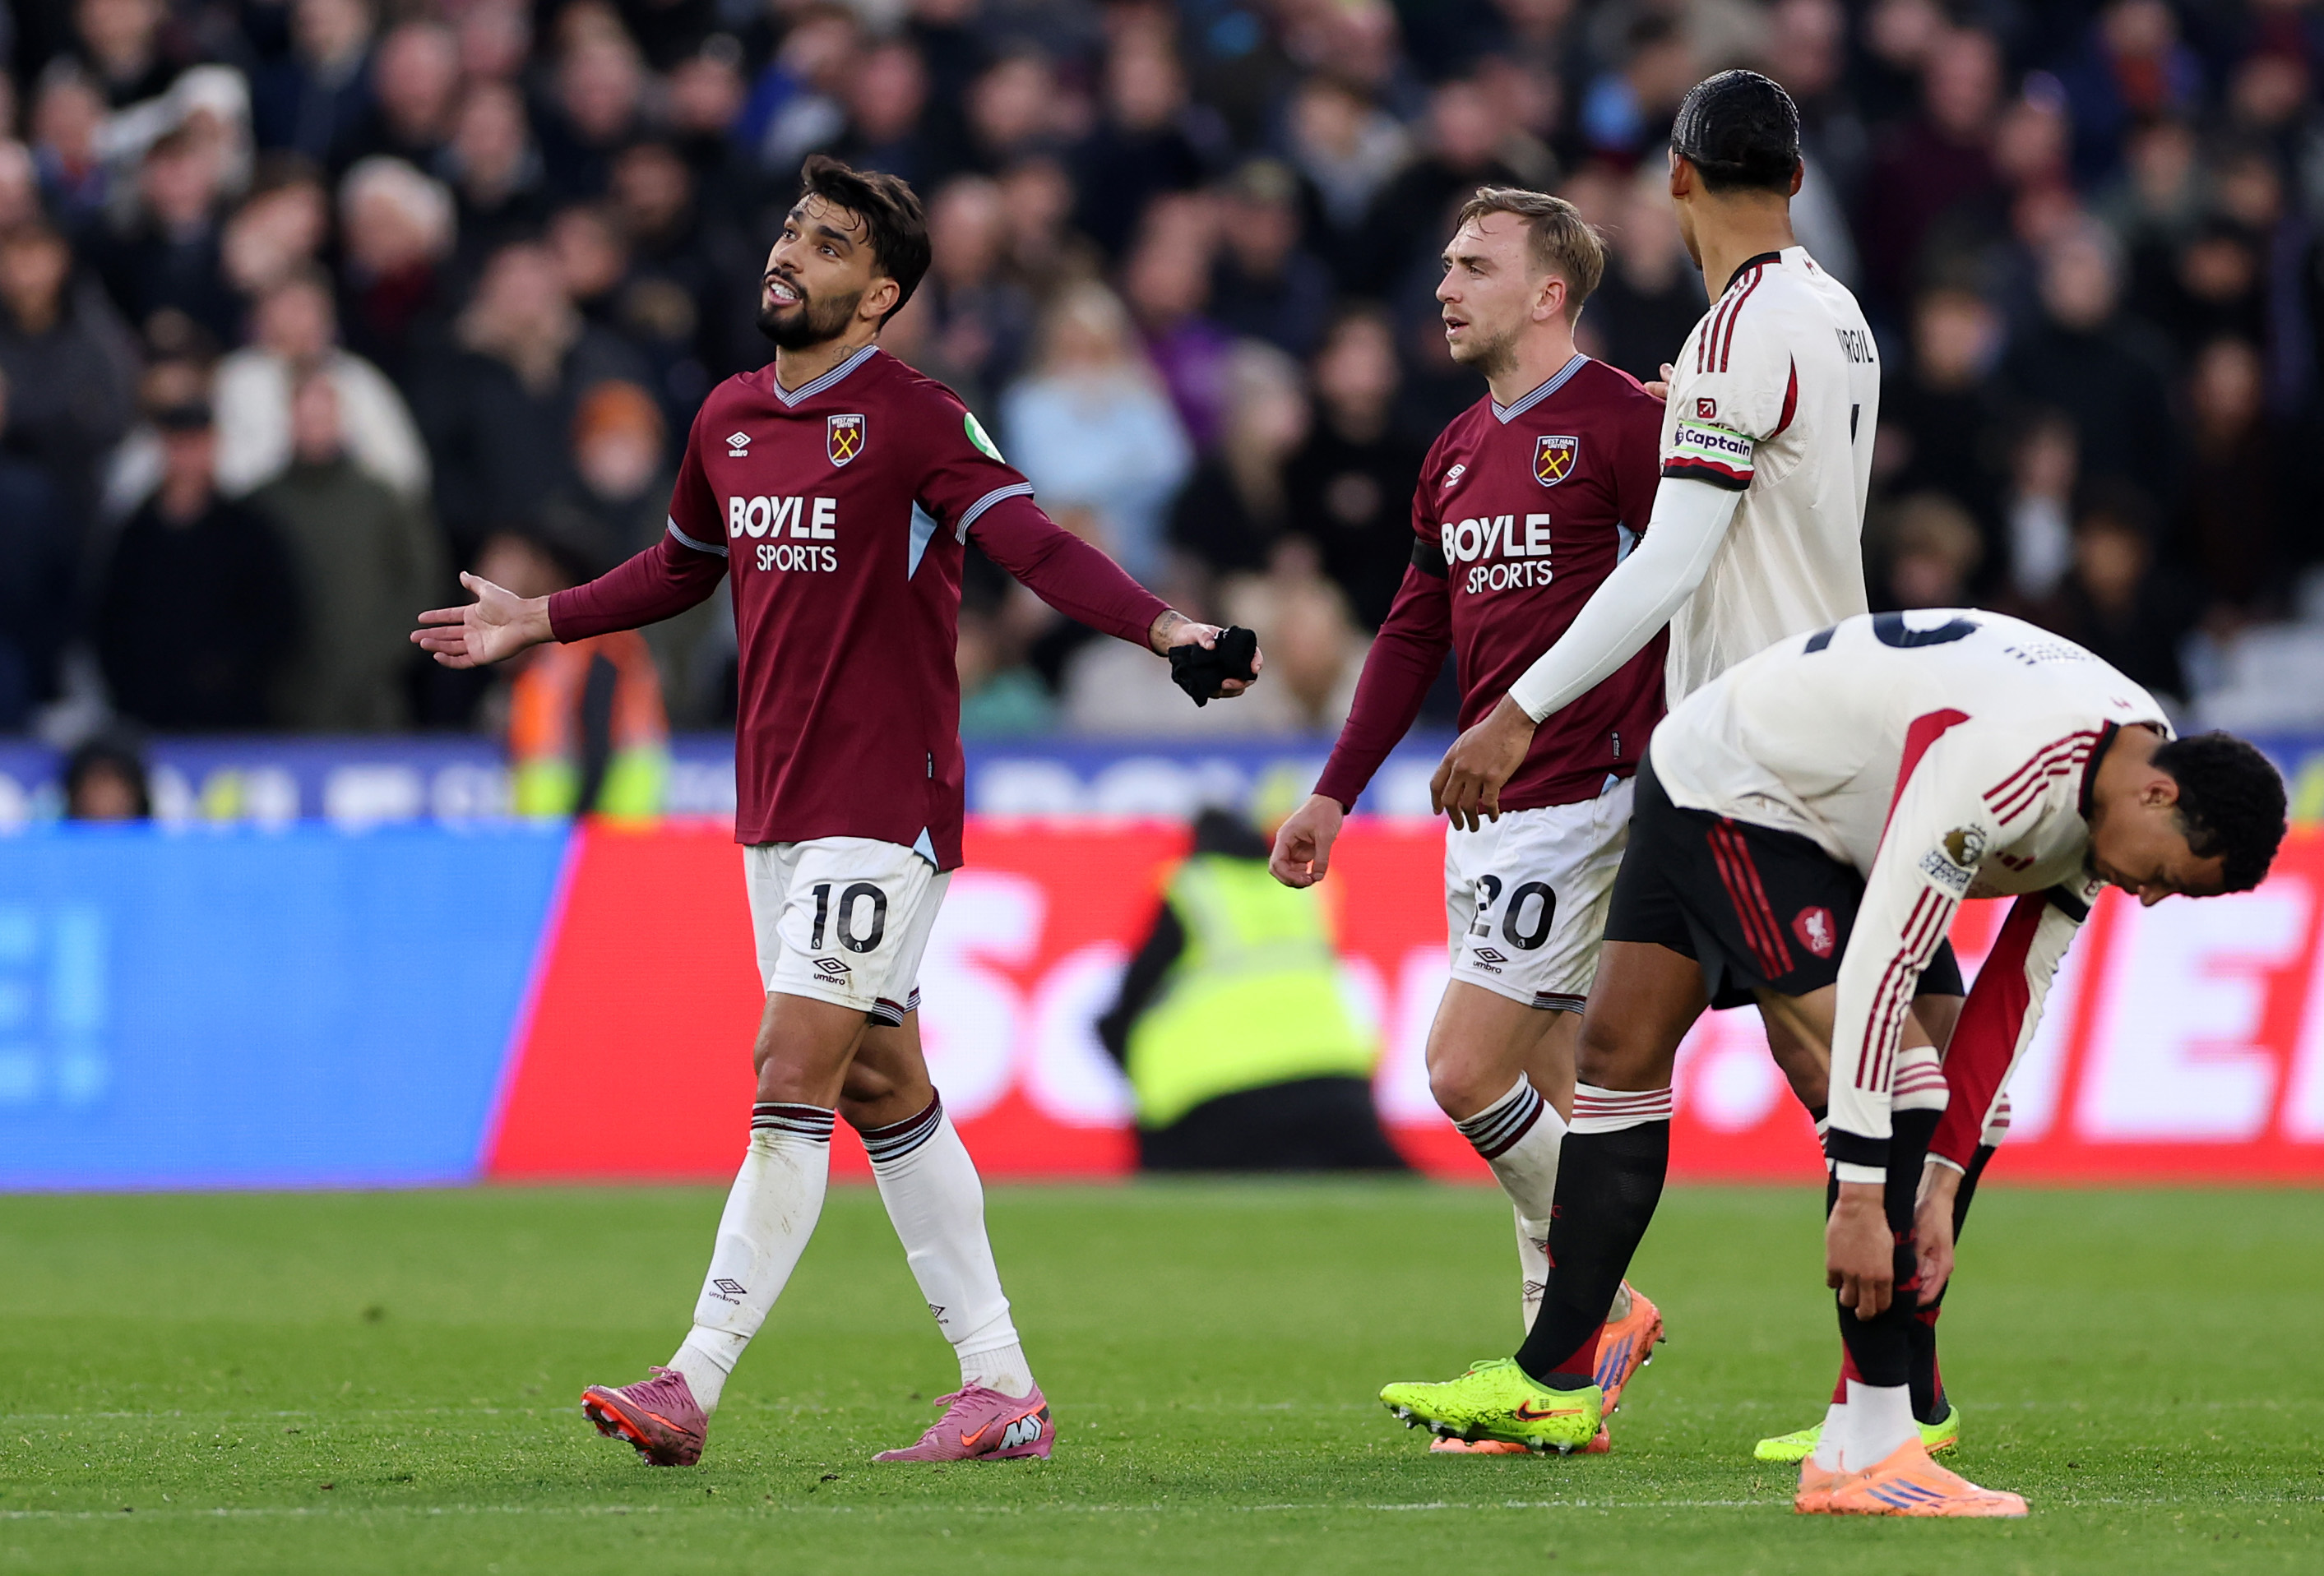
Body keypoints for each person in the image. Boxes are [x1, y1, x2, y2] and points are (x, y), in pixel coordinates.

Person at [412, 156, 1262, 1468]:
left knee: (788, 1070)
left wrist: (1168, 628)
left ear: (877, 296)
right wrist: (545, 618)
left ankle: (690, 1377)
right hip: (776, 803)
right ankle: (1000, 1385)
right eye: (791, 229)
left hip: (886, 796)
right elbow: (687, 565)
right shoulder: (729, 416)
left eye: (824, 243)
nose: (789, 252)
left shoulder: (918, 417)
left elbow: (1029, 541)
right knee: (881, 1082)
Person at [1382, 69, 1973, 1462]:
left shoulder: (1730, 337)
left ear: (1677, 179)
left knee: (1848, 1062)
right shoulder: (1833, 316)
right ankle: (1556, 1368)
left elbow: (1673, 560)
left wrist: (1517, 705)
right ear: (1799, 180)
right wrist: (1691, 408)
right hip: (1775, 729)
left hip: (1754, 751)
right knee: (1620, 1049)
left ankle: (1901, 1402)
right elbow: (1773, 491)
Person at [1381, 609, 2284, 1515]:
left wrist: (1938, 1183)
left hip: (1794, 790)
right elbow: (1885, 964)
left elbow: (2014, 994)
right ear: (2159, 800)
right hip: (1741, 789)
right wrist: (1860, 1198)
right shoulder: (2014, 769)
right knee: (1885, 1075)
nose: (2153, 898)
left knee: (1626, 1059)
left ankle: (1847, 1415)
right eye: (2172, 875)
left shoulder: (2108, 789)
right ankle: (1865, 1449)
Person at [1267, 185, 1671, 1455]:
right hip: (1489, 809)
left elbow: (1697, 574)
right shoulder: (1450, 450)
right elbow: (1412, 631)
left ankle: (1595, 1313)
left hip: (1587, 795)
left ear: (1549, 292)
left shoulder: (1618, 423)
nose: (1443, 287)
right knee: (1553, 1086)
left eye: (1472, 265)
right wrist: (1335, 789)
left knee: (1462, 1069)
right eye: (1444, 263)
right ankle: (1551, 1388)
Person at [1097, 806, 1405, 1174]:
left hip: (1213, 1093)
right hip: (1336, 1082)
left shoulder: (1193, 887)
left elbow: (1128, 1004)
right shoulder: (1309, 890)